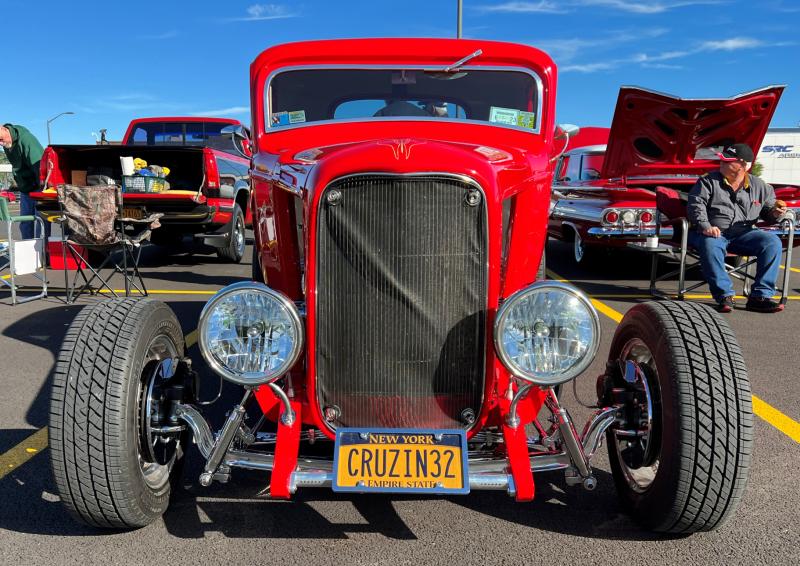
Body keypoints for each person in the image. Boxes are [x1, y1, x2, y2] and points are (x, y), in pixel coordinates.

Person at [687, 142, 787, 313]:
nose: (722, 163)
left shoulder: (761, 187)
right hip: (711, 233)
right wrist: (706, 226)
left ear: (743, 165)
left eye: (727, 161)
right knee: (711, 243)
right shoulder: (707, 181)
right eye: (722, 160)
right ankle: (724, 295)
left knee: (772, 242)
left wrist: (777, 214)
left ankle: (759, 296)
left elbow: (769, 213)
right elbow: (696, 206)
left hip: (744, 234)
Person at [0, 123, 44, 240]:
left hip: (38, 186)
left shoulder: (27, 140)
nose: (1, 143)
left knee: (41, 223)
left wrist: (42, 190)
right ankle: (28, 250)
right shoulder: (7, 144)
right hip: (25, 188)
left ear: (4, 129)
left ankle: (43, 253)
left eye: (1, 139)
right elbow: (17, 167)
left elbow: (39, 165)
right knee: (25, 223)